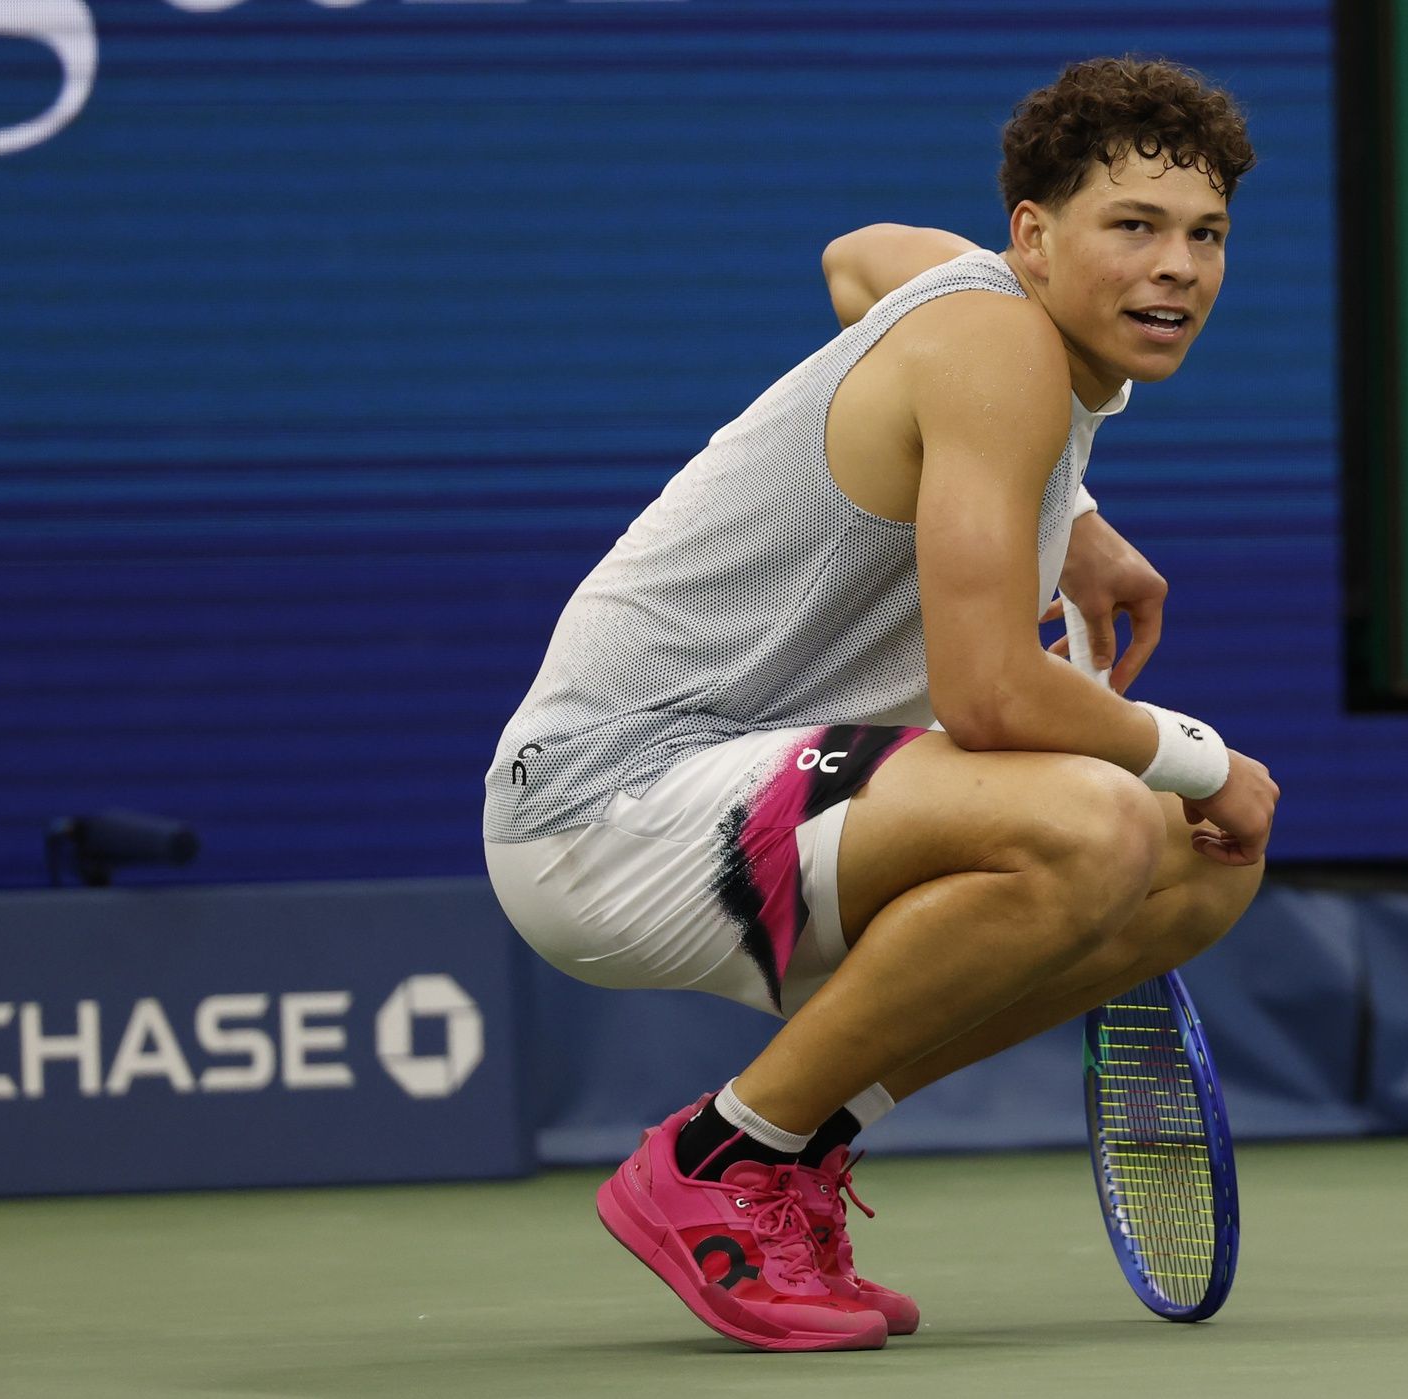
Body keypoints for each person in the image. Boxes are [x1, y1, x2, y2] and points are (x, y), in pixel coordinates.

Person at [483, 55, 1276, 1352]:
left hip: (739, 801)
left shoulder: (981, 307)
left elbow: (858, 256)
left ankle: (798, 1149)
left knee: (1200, 869)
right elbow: (991, 694)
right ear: (1033, 236)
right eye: (1133, 226)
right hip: (605, 802)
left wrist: (1071, 517)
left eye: (1207, 235)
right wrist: (1202, 756)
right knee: (1108, 821)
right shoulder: (996, 346)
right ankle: (719, 1160)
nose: (1177, 268)